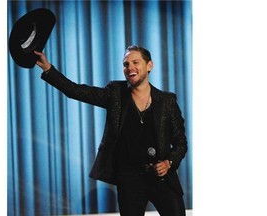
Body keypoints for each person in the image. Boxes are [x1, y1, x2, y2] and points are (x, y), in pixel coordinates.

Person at [34, 45, 187, 216]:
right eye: (126, 64)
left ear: (149, 65)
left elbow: (181, 143)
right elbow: (77, 91)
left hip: (162, 177)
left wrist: (168, 163)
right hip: (130, 179)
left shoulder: (167, 101)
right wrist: (48, 69)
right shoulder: (116, 93)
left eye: (135, 62)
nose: (130, 68)